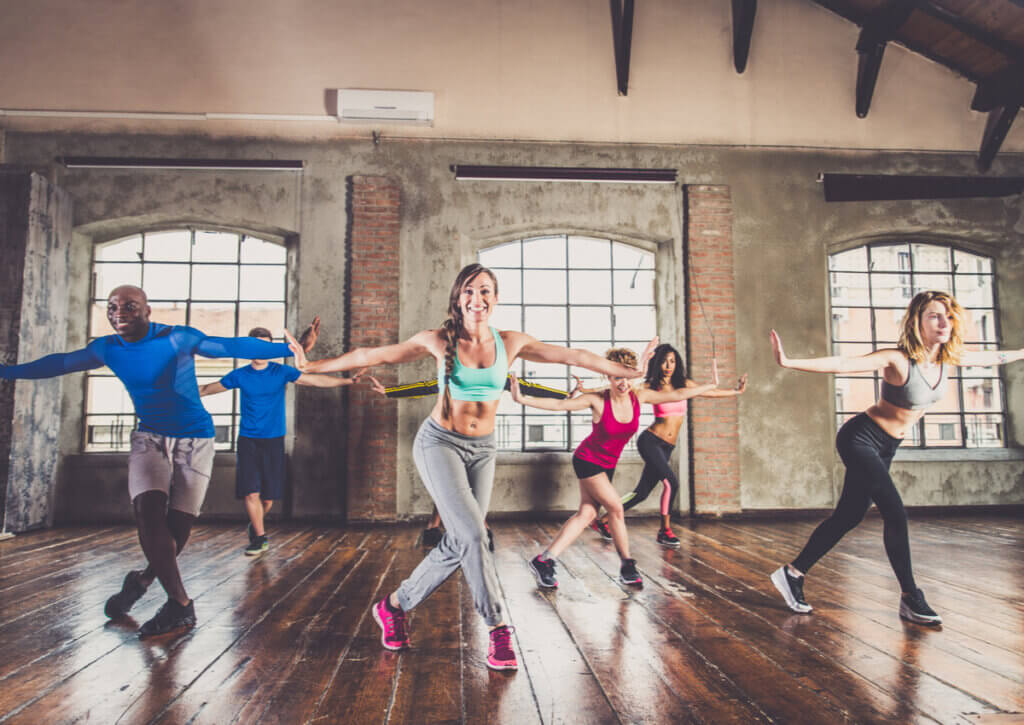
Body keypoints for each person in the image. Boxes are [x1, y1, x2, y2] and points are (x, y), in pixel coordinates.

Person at [285, 262, 650, 671]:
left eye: (485, 291)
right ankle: (498, 629)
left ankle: (393, 607)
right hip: (439, 444)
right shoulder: (439, 340)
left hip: (483, 449)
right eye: (470, 292)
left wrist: (631, 372)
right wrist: (309, 366)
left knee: (461, 541)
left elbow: (574, 356)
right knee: (475, 535)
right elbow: (372, 354)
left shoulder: (510, 341)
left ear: (495, 299)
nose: (478, 299)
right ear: (458, 299)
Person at [0, 285, 313, 637]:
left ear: (148, 311)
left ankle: (143, 579)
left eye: (130, 306)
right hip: (149, 437)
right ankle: (180, 604)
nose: (120, 312)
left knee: (177, 529)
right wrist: (5, 372)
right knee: (148, 514)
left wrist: (286, 349)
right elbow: (59, 363)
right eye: (113, 306)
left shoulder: (176, 338)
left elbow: (229, 345)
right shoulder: (107, 348)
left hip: (195, 439)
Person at [768, 290, 1024, 625]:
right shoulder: (898, 359)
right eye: (934, 315)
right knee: (895, 511)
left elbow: (991, 358)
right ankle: (911, 596)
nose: (943, 322)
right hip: (861, 438)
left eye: (947, 315)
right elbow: (844, 364)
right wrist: (789, 362)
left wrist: (1021, 352)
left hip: (887, 445)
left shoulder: (948, 358)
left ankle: (792, 573)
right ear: (917, 321)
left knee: (848, 516)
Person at [514, 349, 720, 589]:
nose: (623, 383)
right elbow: (560, 405)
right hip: (588, 460)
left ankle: (544, 560)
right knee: (615, 507)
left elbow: (679, 393)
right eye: (617, 377)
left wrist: (710, 385)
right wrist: (523, 399)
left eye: (627, 377)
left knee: (587, 514)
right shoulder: (597, 400)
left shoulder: (639, 397)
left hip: (607, 465)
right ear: (608, 377)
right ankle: (627, 564)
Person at [199, 322, 363, 556]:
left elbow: (314, 380)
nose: (259, 353)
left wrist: (347, 382)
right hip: (248, 440)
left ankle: (256, 525)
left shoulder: (281, 372)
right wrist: (171, 393)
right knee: (250, 492)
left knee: (268, 499)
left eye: (265, 348)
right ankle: (259, 537)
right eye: (255, 348)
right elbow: (205, 389)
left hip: (273, 440)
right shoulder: (239, 375)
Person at [368, 374, 571, 551]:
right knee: (454, 488)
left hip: (479, 442)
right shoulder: (454, 372)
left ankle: (438, 527)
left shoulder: (498, 374)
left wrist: (563, 395)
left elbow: (527, 387)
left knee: (462, 488)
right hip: (449, 440)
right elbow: (427, 385)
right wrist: (389, 391)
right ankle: (470, 529)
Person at [589, 343, 747, 548]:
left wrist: (736, 391)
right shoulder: (649, 386)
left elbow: (709, 393)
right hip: (650, 441)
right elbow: (619, 390)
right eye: (664, 361)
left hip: (667, 447)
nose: (668, 365)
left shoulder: (684, 385)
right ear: (657, 363)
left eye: (672, 361)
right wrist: (586, 391)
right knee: (672, 482)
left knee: (642, 493)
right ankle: (665, 530)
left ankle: (602, 521)